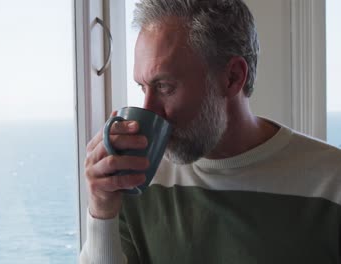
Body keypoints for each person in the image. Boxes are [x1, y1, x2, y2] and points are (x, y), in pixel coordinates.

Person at [79, 0, 341, 263]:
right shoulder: (134, 180)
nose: (149, 110)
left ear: (232, 78)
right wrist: (101, 212)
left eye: (165, 87)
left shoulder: (331, 184)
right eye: (143, 88)